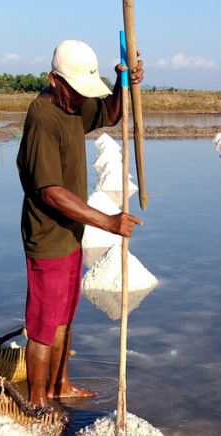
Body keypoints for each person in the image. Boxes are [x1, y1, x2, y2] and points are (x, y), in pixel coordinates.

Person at [17, 39, 144, 407]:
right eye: (74, 91)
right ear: (53, 80)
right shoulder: (43, 117)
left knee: (64, 319)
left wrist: (124, 83)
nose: (79, 99)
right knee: (43, 326)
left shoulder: (73, 104)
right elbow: (51, 192)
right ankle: (38, 400)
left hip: (71, 234)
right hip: (48, 237)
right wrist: (108, 221)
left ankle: (60, 384)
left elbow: (110, 114)